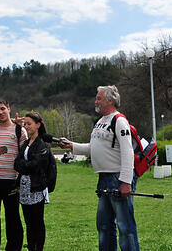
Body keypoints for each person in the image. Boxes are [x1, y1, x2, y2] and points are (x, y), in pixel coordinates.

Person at [59, 85, 140, 251]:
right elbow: (93, 148)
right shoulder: (100, 122)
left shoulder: (120, 120)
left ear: (110, 100)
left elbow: (127, 151)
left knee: (125, 227)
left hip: (117, 177)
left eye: (99, 98)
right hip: (103, 178)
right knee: (103, 226)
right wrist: (71, 146)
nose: (96, 101)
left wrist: (125, 181)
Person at [0, 98, 27, 251]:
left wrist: (20, 181)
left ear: (9, 109)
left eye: (3, 109)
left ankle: (14, 248)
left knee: (13, 219)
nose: (0, 112)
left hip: (11, 181)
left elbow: (24, 157)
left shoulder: (19, 130)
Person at [14, 112, 53, 251]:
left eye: (29, 124)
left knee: (37, 222)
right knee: (29, 223)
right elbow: (16, 164)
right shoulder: (26, 143)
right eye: (25, 124)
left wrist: (24, 165)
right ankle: (31, 247)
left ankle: (38, 248)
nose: (26, 126)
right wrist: (25, 166)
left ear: (38, 125)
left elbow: (36, 165)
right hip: (24, 190)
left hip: (36, 188)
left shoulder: (42, 144)